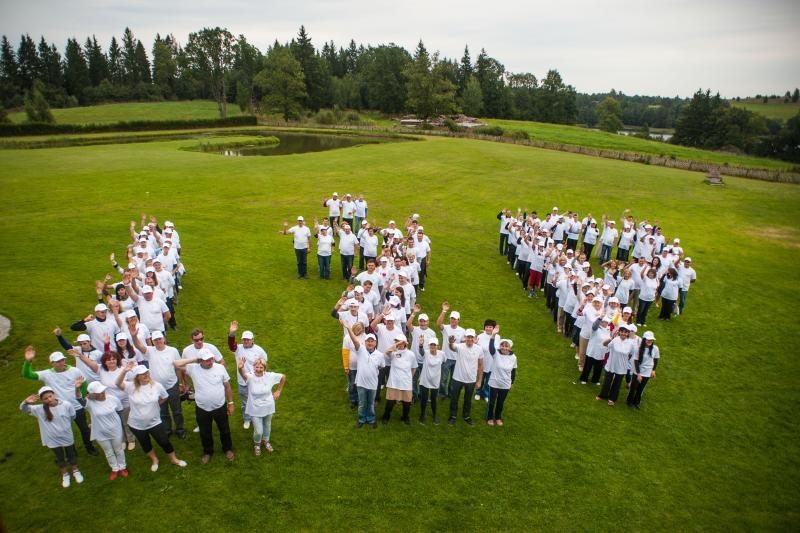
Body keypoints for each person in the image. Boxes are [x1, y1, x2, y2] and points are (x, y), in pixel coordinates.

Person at [21, 347, 98, 456]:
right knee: (65, 430)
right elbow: (27, 374)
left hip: (77, 407)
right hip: (59, 408)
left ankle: (89, 447)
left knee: (85, 429)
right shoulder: (47, 374)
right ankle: (71, 451)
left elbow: (84, 384)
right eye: (57, 361)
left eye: (62, 360)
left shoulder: (74, 370)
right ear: (52, 363)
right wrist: (28, 361)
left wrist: (82, 397)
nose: (61, 363)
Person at [115, 363, 187, 471]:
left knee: (164, 441)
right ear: (137, 377)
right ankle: (154, 460)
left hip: (155, 422)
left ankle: (173, 459)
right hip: (136, 424)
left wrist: (155, 405)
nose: (145, 375)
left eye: (146, 372)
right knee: (145, 444)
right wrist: (124, 371)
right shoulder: (131, 387)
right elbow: (117, 383)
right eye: (142, 374)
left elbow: (164, 397)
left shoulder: (157, 386)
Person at [175, 350, 235, 463]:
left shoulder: (220, 368)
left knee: (225, 430)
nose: (210, 362)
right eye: (206, 360)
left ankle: (227, 449)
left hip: (220, 406)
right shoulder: (193, 368)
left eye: (211, 359)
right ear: (200, 361)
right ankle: (208, 452)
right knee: (204, 431)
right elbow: (176, 364)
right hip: (202, 408)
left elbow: (227, 386)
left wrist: (231, 403)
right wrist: (194, 359)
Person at [21, 386, 84, 488]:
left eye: (50, 396)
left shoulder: (66, 405)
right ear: (42, 400)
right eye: (45, 398)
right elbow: (23, 409)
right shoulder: (39, 409)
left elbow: (72, 416)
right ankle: (65, 475)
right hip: (52, 439)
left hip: (66, 436)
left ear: (54, 394)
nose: (49, 399)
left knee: (71, 454)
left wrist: (64, 427)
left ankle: (76, 471)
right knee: (60, 457)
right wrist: (26, 402)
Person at [131, 331, 185, 439]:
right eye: (155, 340)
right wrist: (134, 336)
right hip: (156, 388)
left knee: (177, 410)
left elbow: (178, 367)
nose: (158, 341)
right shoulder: (150, 351)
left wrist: (180, 383)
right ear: (152, 341)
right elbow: (138, 345)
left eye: (160, 339)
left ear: (164, 339)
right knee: (162, 411)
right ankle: (167, 429)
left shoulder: (173, 351)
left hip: (172, 385)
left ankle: (180, 429)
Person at [238, 355, 286, 455]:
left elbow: (283, 377)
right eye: (256, 367)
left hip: (268, 406)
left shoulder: (269, 376)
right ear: (253, 367)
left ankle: (266, 441)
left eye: (261, 367)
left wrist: (278, 391)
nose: (258, 369)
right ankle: (257, 444)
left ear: (265, 368)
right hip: (254, 408)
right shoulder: (250, 377)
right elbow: (243, 374)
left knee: (267, 425)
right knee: (259, 431)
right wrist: (240, 368)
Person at [228, 321, 268, 429]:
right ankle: (247, 419)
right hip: (243, 381)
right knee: (245, 402)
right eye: (244, 339)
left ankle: (258, 416)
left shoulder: (259, 350)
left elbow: (264, 363)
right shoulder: (238, 348)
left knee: (257, 400)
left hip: (256, 381)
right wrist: (231, 333)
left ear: (252, 340)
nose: (246, 341)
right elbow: (231, 345)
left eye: (248, 339)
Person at [85, 381, 128, 480]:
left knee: (119, 450)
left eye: (103, 391)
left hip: (115, 430)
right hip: (100, 432)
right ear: (92, 394)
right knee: (108, 451)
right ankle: (115, 468)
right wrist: (77, 388)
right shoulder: (90, 403)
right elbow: (79, 399)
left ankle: (122, 466)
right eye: (99, 393)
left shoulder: (113, 399)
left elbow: (119, 410)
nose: (102, 393)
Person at [344, 326, 384, 428]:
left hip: (373, 384)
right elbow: (354, 340)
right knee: (362, 403)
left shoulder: (380, 355)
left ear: (375, 343)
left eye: (372, 341)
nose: (370, 343)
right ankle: (361, 419)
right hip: (361, 383)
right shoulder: (360, 350)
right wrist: (348, 328)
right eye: (368, 341)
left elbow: (381, 366)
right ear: (365, 343)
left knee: (370, 404)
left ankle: (371, 419)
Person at [447, 328, 484, 425]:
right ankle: (452, 416)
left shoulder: (479, 349)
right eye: (468, 337)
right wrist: (450, 343)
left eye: (472, 337)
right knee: (454, 398)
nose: (470, 339)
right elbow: (452, 347)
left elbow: (481, 365)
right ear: (465, 337)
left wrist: (479, 380)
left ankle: (466, 415)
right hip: (457, 378)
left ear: (475, 338)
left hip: (471, 379)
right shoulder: (460, 346)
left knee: (468, 400)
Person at [596, 324, 637, 406]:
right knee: (607, 382)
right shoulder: (615, 340)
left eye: (625, 332)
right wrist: (611, 338)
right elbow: (605, 345)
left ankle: (612, 398)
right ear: (619, 332)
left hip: (622, 367)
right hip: (611, 364)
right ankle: (603, 395)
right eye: (622, 331)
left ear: (628, 333)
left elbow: (633, 354)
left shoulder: (631, 343)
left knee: (617, 384)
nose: (623, 334)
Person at [381, 336, 416, 426]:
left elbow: (413, 368)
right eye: (396, 341)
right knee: (390, 401)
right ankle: (386, 417)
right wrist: (397, 344)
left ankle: (405, 417)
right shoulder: (393, 353)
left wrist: (408, 378)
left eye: (400, 342)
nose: (398, 343)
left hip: (406, 383)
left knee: (407, 403)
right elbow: (386, 351)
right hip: (393, 382)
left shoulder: (411, 354)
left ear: (405, 343)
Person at [486, 337, 517, 426]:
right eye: (502, 345)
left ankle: (498, 417)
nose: (504, 348)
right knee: (492, 402)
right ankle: (490, 417)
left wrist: (512, 383)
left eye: (506, 346)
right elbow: (491, 348)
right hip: (494, 382)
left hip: (505, 384)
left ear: (510, 348)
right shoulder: (496, 354)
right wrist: (493, 336)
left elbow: (513, 371)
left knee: (500, 402)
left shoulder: (513, 357)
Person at [436, 302, 464, 399]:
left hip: (457, 359)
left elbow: (465, 343)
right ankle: (442, 393)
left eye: (455, 319)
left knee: (453, 379)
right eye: (452, 318)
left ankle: (451, 394)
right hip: (446, 357)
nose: (453, 320)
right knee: (443, 378)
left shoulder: (462, 330)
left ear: (458, 320)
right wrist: (444, 311)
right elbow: (438, 324)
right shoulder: (446, 328)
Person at [627, 331, 660, 409]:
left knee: (641, 388)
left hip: (647, 372)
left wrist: (653, 370)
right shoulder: (637, 348)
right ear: (644, 339)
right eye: (648, 340)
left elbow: (655, 359)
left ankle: (637, 402)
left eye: (651, 340)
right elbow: (636, 361)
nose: (650, 341)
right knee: (634, 387)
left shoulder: (655, 348)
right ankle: (629, 401)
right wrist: (638, 374)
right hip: (638, 371)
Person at [417, 336, 444, 425]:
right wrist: (421, 345)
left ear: (438, 346)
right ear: (429, 346)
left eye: (434, 345)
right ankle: (422, 414)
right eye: (431, 345)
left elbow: (444, 362)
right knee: (424, 398)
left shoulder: (442, 354)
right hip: (425, 380)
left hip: (435, 381)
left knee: (433, 399)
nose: (432, 347)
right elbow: (421, 352)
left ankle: (434, 415)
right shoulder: (426, 353)